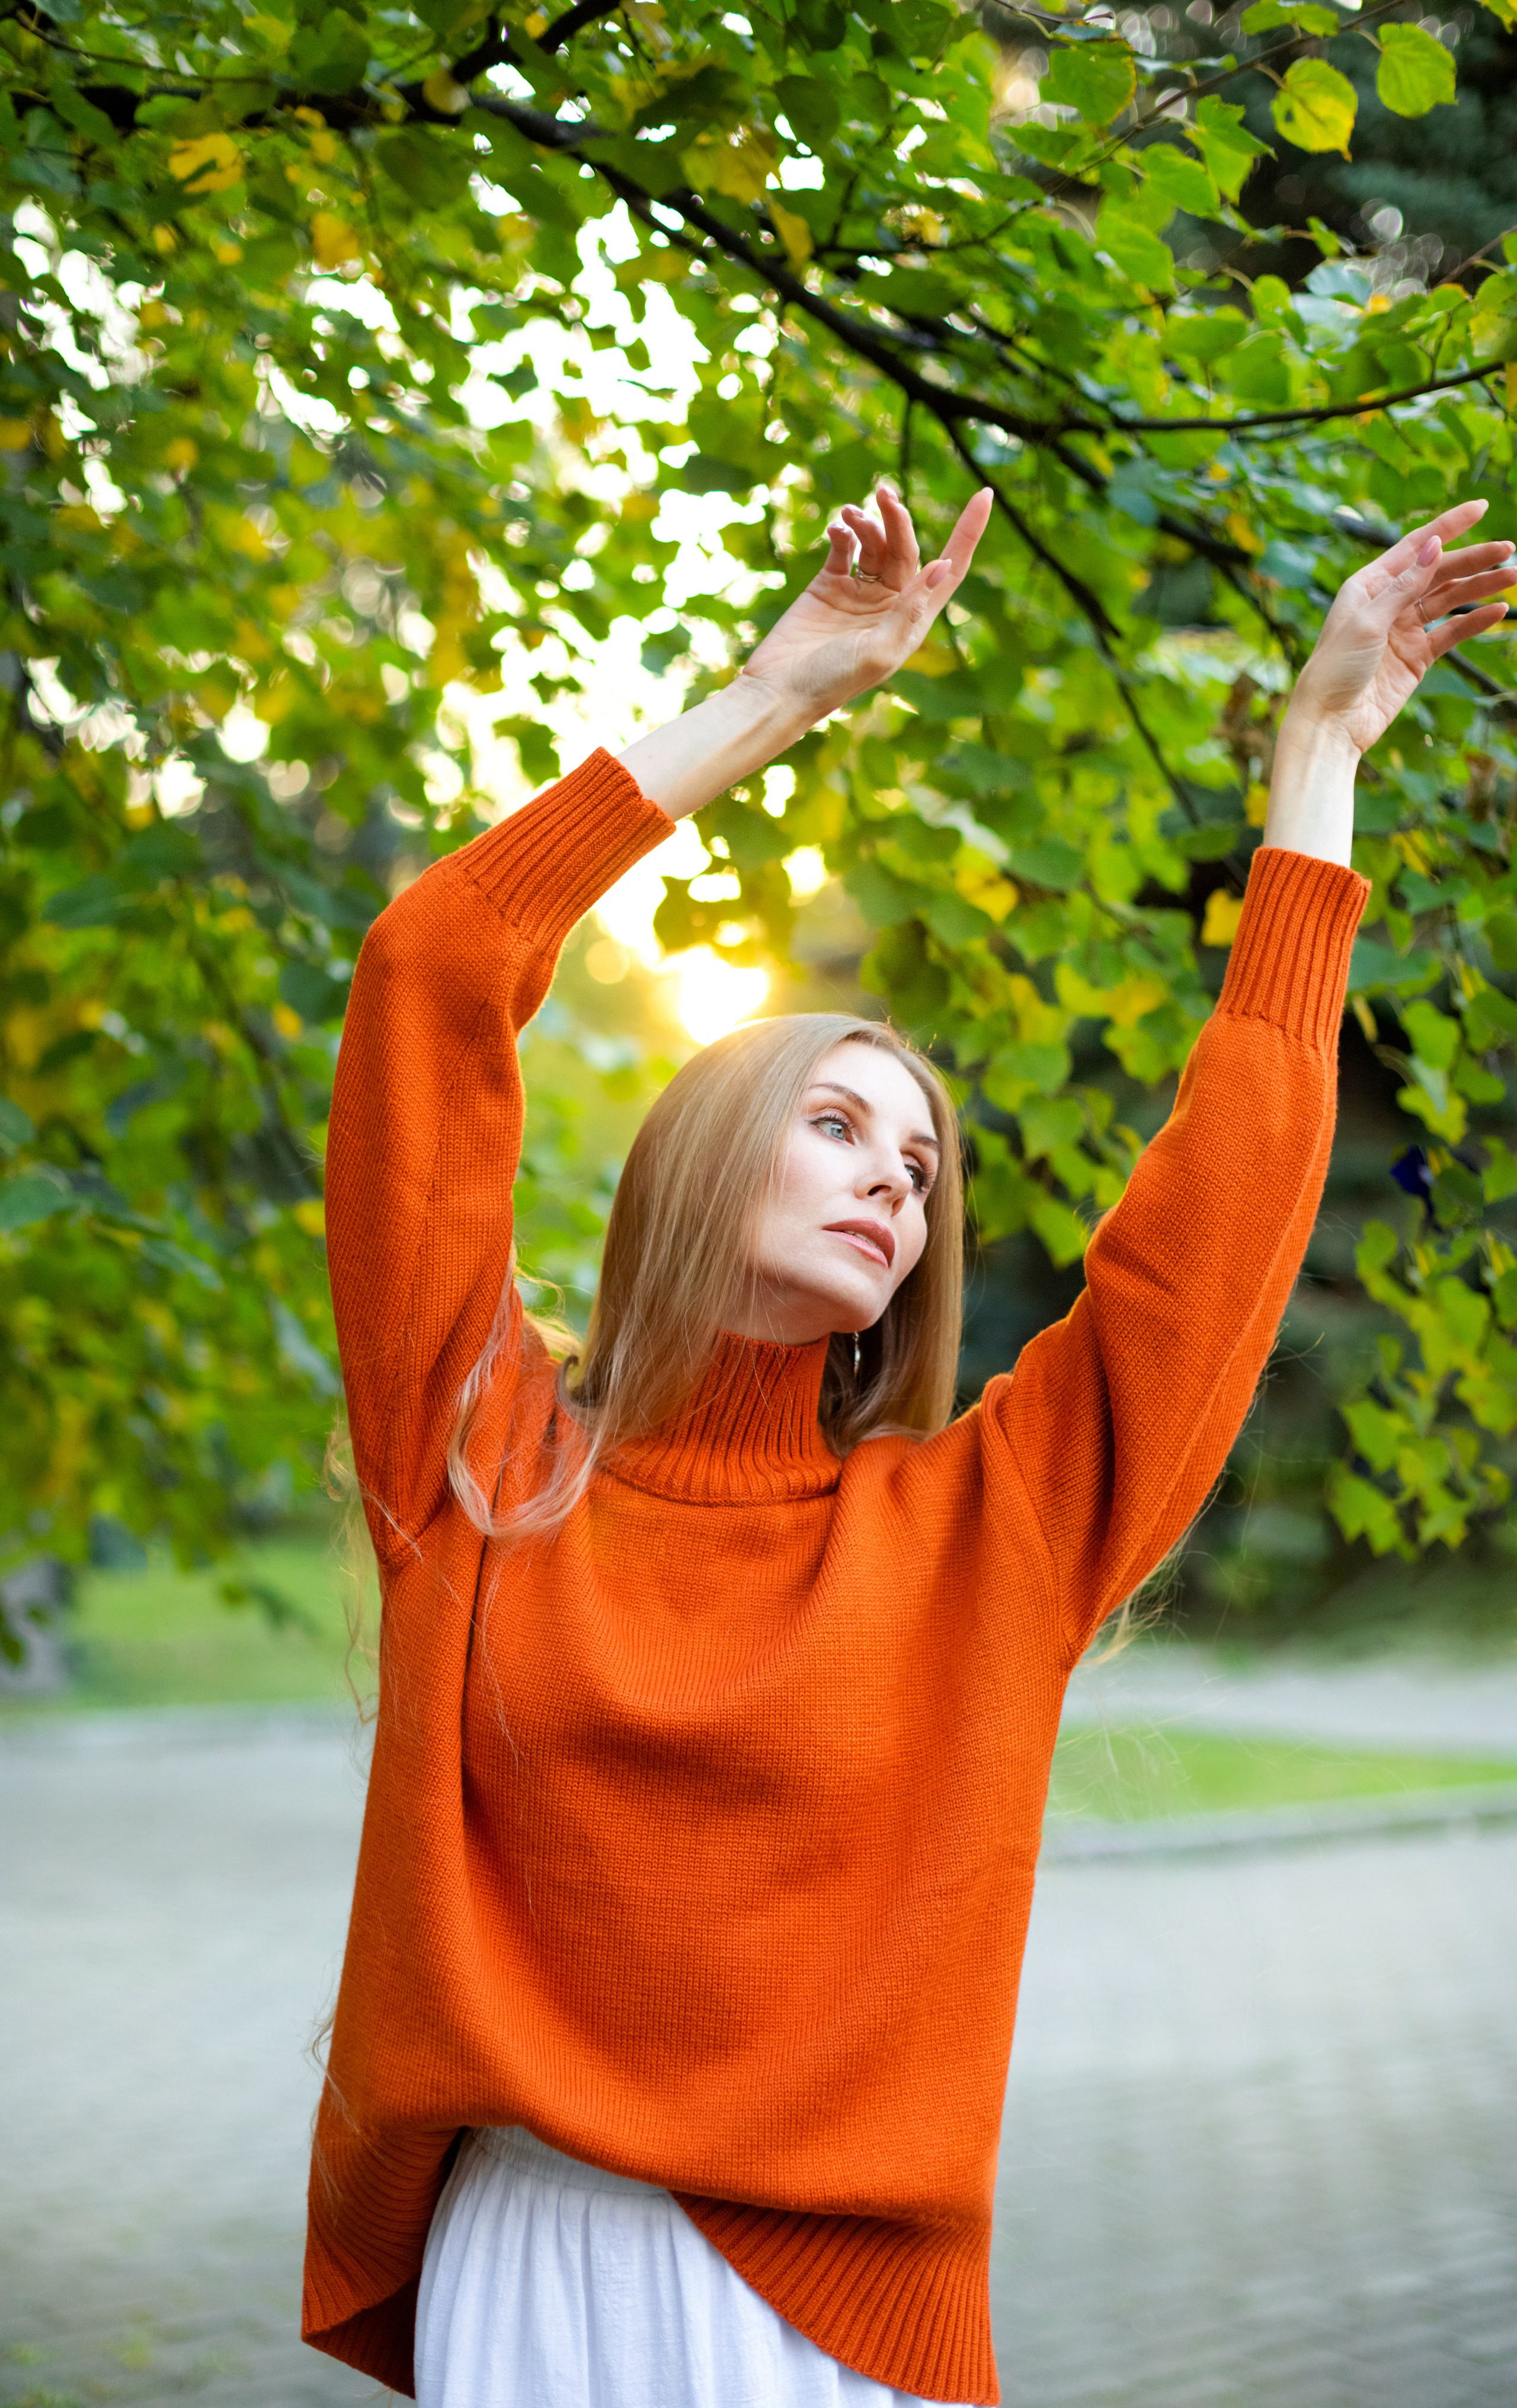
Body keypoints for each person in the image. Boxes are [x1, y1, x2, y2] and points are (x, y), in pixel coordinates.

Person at [302, 484, 1511, 2407]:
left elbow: (1217, 1230)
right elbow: (432, 975)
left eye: (924, 1167)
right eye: (843, 1128)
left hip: (839, 2322)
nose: (899, 1183)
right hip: (536, 2262)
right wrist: (784, 686)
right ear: (706, 1153)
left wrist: (1320, 760)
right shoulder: (487, 1462)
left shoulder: (980, 1528)